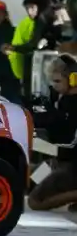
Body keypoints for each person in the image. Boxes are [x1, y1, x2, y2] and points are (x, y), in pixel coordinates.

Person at [28, 55, 77, 212]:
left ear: (73, 79)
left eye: (57, 81)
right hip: (59, 161)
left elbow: (72, 148)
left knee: (35, 201)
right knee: (27, 182)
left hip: (72, 166)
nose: (54, 86)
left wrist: (39, 146)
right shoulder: (62, 101)